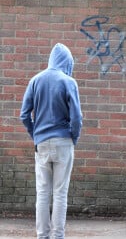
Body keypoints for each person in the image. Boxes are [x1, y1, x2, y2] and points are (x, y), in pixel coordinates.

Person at [20, 43, 83, 239]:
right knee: (60, 193)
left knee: (43, 192)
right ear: (67, 61)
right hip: (64, 141)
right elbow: (77, 118)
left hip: (42, 143)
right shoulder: (69, 82)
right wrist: (74, 137)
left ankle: (42, 235)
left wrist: (35, 135)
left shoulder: (35, 80)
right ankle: (58, 235)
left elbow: (24, 115)